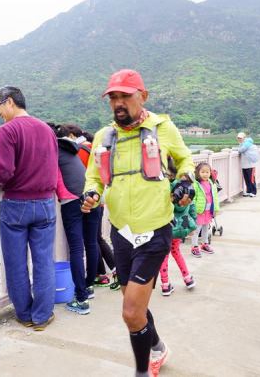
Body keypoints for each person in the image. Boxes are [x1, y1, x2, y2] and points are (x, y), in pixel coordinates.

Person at [81, 69, 195, 377]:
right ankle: (157, 346)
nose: (118, 103)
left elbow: (186, 161)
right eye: (113, 97)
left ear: (142, 96)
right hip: (120, 232)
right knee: (136, 309)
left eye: (125, 96)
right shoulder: (104, 137)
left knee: (130, 311)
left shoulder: (163, 128)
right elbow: (93, 176)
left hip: (155, 230)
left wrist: (185, 182)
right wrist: (91, 193)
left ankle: (143, 371)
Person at [0, 86, 58, 331]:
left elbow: (4, 172)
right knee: (44, 261)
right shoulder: (46, 129)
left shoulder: (7, 131)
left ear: (9, 102)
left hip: (16, 205)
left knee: (16, 263)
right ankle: (42, 317)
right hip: (45, 203)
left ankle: (24, 314)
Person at [49, 123, 100, 314]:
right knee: (91, 243)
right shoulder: (69, 147)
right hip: (90, 196)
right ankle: (87, 286)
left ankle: (81, 299)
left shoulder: (52, 150)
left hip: (71, 201)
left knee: (77, 249)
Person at [159, 158, 196, 296]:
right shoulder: (190, 190)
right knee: (176, 252)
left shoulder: (169, 188)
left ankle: (165, 285)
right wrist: (191, 226)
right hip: (180, 228)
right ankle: (187, 278)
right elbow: (192, 209)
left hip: (167, 227)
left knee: (164, 256)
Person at [190, 162, 219, 257]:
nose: (205, 174)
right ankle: (194, 247)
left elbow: (215, 197)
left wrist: (215, 209)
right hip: (199, 211)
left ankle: (204, 244)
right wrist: (193, 210)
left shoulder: (212, 183)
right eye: (202, 172)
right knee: (196, 230)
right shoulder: (196, 184)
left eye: (207, 172)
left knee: (206, 228)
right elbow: (193, 198)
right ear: (198, 173)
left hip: (208, 211)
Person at [237, 132, 258, 197]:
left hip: (250, 165)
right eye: (238, 138)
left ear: (244, 138)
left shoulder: (247, 143)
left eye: (240, 138)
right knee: (247, 179)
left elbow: (241, 150)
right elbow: (240, 150)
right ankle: (248, 191)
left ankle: (253, 192)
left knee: (251, 179)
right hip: (245, 165)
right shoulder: (242, 144)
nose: (239, 139)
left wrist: (238, 149)